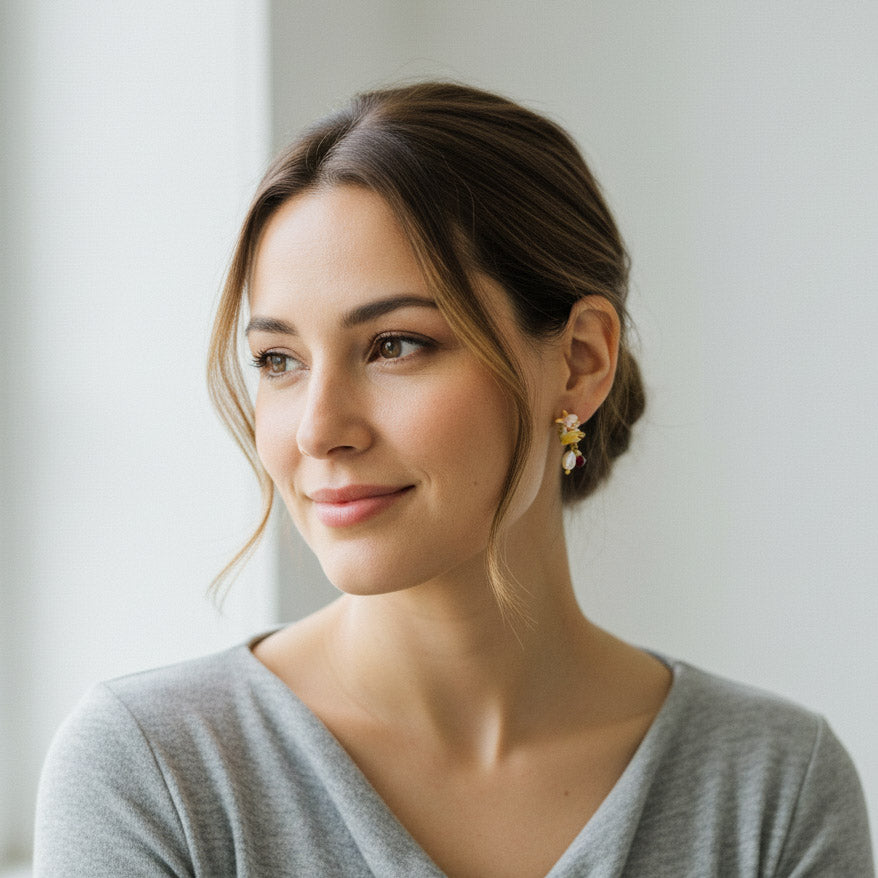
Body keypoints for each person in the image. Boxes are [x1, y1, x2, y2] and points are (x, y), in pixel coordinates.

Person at [34, 82, 873, 877]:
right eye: (277, 361)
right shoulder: (154, 771)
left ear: (581, 359)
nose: (320, 429)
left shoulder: (774, 787)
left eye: (395, 344)